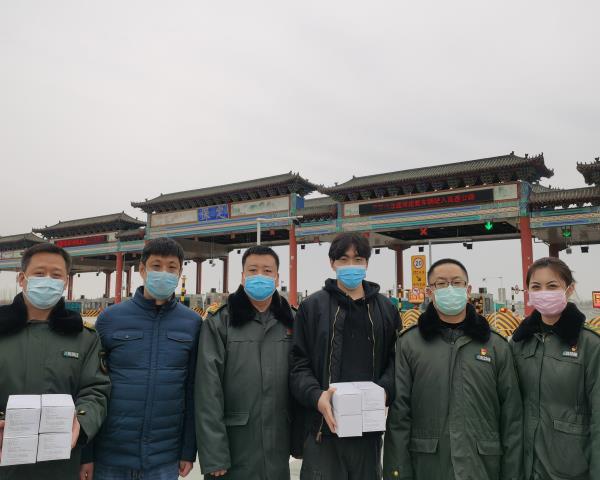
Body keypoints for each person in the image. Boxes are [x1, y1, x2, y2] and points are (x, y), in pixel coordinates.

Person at [383, 258, 522, 480]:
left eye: (457, 283)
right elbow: (399, 417)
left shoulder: (495, 345)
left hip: (482, 467)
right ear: (430, 292)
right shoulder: (409, 344)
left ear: (467, 289)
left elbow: (511, 416)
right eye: (441, 283)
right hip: (428, 467)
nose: (450, 288)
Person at [85, 237, 200, 480]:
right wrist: (86, 454)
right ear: (142, 269)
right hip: (110, 456)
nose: (164, 273)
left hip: (164, 458)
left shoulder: (192, 323)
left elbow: (193, 389)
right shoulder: (109, 319)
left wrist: (188, 450)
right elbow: (90, 387)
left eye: (172, 267)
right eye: (156, 266)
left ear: (180, 273)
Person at [290, 232, 400, 480]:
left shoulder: (386, 309)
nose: (351, 265)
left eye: (358, 259)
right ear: (332, 263)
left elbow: (396, 361)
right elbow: (298, 363)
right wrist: (315, 396)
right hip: (322, 431)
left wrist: (385, 390)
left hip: (369, 434)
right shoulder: (312, 308)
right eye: (343, 259)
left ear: (367, 263)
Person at [0, 243, 110, 480]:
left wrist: (81, 423)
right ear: (22, 279)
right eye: (39, 273)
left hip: (61, 463)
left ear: (65, 282)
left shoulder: (84, 338)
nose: (47, 280)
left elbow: (95, 390)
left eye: (56, 275)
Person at [195, 245, 297, 479]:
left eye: (267, 271)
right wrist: (214, 454)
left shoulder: (292, 320)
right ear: (242, 276)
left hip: (278, 445)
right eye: (253, 270)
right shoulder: (220, 322)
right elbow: (207, 391)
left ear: (277, 277)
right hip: (234, 447)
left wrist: (300, 441)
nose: (260, 276)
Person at [511, 257, 599, 480]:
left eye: (552, 286)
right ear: (528, 292)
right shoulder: (517, 344)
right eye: (536, 287)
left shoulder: (590, 345)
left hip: (571, 468)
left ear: (569, 289)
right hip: (524, 467)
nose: (544, 292)